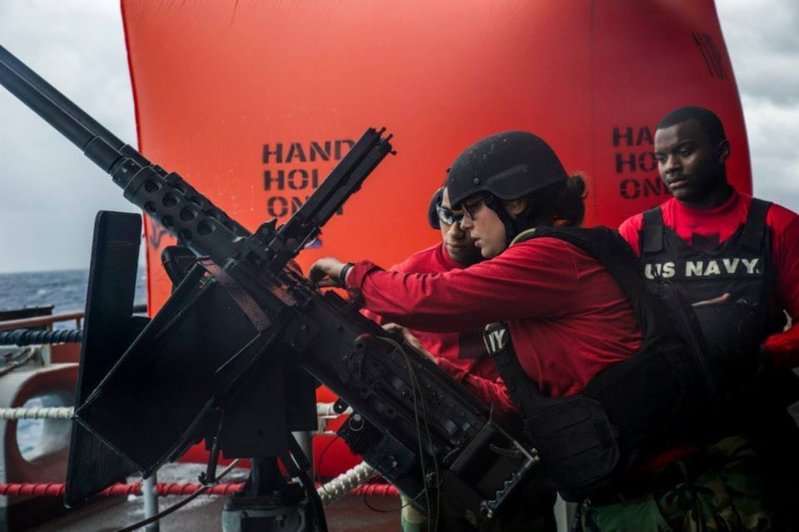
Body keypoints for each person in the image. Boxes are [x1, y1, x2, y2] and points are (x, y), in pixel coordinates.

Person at [310, 131, 644, 528]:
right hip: (617, 490)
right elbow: (513, 403)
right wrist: (429, 366)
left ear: (515, 202)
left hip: (641, 496)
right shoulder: (547, 270)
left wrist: (348, 273)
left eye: (472, 210)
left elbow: (434, 298)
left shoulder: (546, 256)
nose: (465, 226)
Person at [605, 105, 799, 530]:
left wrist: (768, 356)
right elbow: (611, 331)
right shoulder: (637, 234)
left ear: (722, 151)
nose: (670, 167)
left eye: (685, 151)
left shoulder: (777, 226)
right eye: (661, 158)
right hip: (671, 444)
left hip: (757, 435)